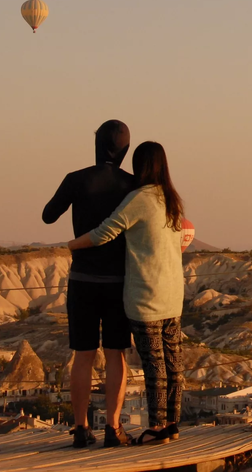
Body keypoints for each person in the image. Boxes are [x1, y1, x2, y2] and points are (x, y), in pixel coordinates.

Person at [69, 141, 186, 445]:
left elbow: (104, 232)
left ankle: (157, 428)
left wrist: (70, 245)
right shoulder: (171, 199)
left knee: (154, 366)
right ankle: (172, 424)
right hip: (173, 296)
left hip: (145, 296)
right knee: (173, 364)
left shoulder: (139, 198)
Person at [43, 120, 137, 448]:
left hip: (82, 279)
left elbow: (48, 215)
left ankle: (81, 428)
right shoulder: (133, 184)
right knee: (116, 355)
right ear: (125, 149)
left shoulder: (76, 179)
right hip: (118, 281)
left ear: (96, 144)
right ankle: (113, 427)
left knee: (82, 355)